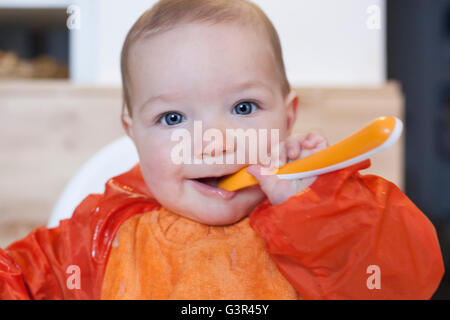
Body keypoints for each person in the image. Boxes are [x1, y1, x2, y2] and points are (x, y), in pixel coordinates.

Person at [0, 0, 444, 300]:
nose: (214, 141)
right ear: (132, 133)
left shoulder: (327, 204)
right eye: (173, 118)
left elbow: (405, 282)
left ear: (288, 117)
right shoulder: (99, 235)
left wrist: (318, 210)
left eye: (244, 107)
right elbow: (19, 277)